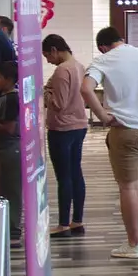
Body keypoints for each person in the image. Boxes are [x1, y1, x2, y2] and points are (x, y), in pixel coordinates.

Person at [81, 26, 138, 260]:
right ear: (122, 40)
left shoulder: (103, 60)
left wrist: (102, 116)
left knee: (128, 187)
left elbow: (85, 89)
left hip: (125, 130)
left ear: (102, 46)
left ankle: (133, 244)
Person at [42, 34, 87, 238]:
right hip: (79, 124)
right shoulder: (78, 66)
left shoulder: (61, 71)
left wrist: (44, 93)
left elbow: (58, 104)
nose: (48, 61)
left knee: (64, 177)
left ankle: (62, 224)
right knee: (76, 172)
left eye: (47, 56)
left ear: (54, 50)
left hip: (61, 128)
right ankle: (77, 221)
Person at [0, 62, 23, 249]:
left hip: (11, 151)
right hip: (2, 151)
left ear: (9, 79)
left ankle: (14, 232)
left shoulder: (11, 99)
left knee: (12, 191)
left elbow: (9, 128)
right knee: (4, 190)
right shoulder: (0, 96)